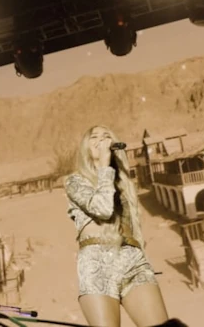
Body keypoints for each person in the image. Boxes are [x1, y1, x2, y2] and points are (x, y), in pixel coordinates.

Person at [64, 125, 169, 327]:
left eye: (106, 137)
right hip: (96, 265)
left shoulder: (124, 183)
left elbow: (136, 230)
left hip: (132, 261)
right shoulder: (74, 181)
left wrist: (140, 257)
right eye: (94, 137)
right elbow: (102, 209)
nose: (101, 141)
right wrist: (104, 166)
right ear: (86, 147)